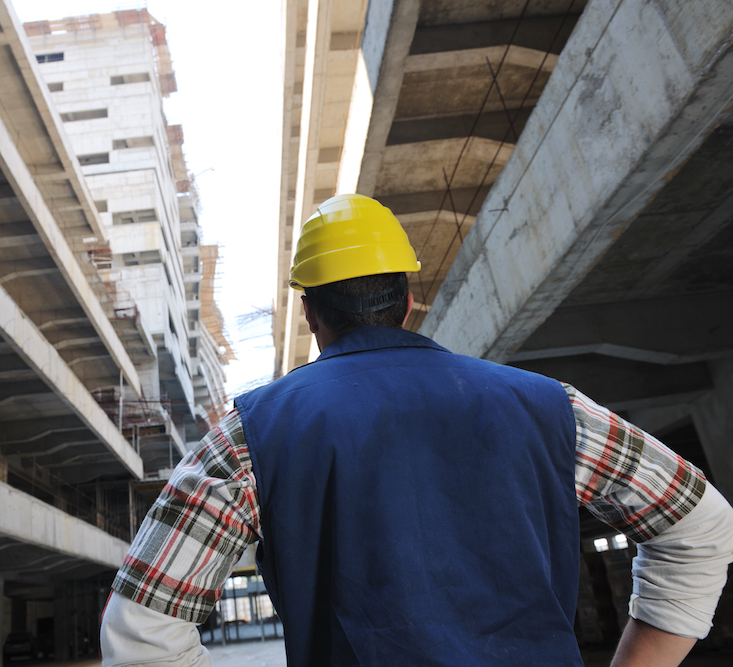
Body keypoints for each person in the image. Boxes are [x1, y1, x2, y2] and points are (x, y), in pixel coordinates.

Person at [101, 194, 733, 666]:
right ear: (407, 300)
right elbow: (702, 524)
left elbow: (141, 631)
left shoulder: (250, 436)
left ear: (309, 311)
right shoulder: (553, 409)